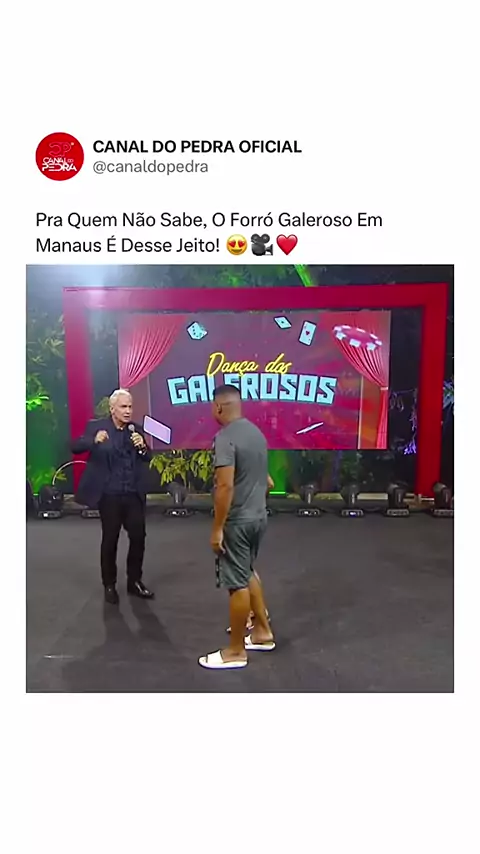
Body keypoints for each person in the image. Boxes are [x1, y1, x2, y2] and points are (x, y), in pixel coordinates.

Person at [199, 384, 275, 670]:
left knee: (237, 583)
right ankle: (263, 632)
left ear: (218, 407)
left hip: (238, 521)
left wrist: (218, 528)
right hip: (258, 517)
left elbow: (225, 486)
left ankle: (235, 651)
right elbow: (268, 482)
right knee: (247, 571)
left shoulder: (225, 438)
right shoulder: (256, 434)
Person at [71, 389, 154, 604]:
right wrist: (94, 441)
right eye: (123, 407)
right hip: (109, 495)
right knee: (110, 540)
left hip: (132, 494)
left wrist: (142, 446)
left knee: (138, 537)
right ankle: (109, 584)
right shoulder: (97, 427)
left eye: (130, 407)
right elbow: (75, 447)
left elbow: (147, 456)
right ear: (112, 409)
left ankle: (134, 581)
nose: (128, 411)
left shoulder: (135, 430)